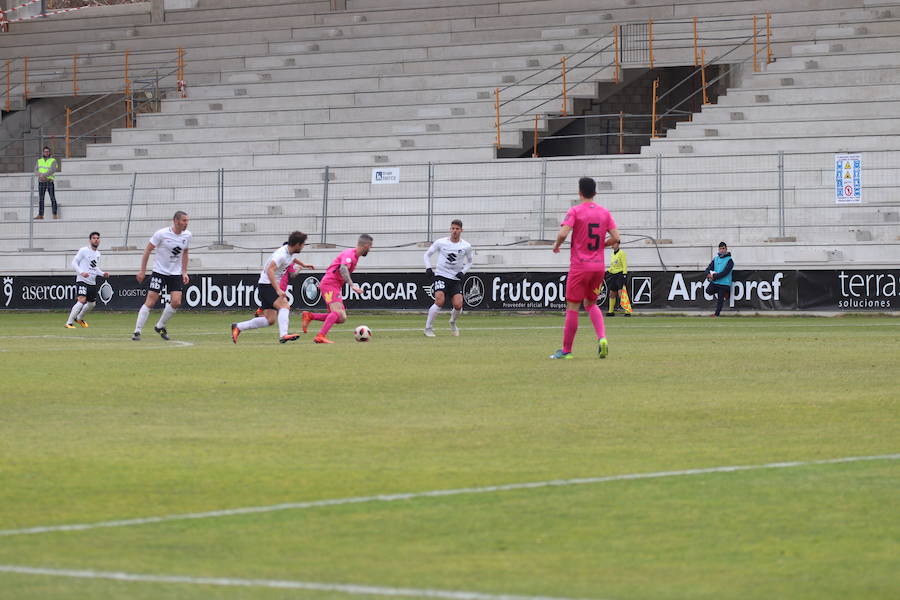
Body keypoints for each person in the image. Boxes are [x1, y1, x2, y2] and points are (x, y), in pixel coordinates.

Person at [549, 177, 620, 359]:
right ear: (595, 193)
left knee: (572, 306)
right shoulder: (604, 213)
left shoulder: (575, 211)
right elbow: (616, 238)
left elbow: (564, 233)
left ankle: (566, 351)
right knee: (591, 304)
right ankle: (602, 338)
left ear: (579, 192)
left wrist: (557, 244)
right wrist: (601, 245)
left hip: (580, 267)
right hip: (598, 267)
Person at [231, 232, 314, 344]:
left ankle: (238, 327)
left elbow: (292, 258)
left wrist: (304, 265)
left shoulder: (290, 251)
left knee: (270, 320)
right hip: (267, 285)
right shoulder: (281, 254)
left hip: (265, 285)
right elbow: (270, 270)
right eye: (303, 244)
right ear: (297, 244)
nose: (303, 246)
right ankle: (284, 335)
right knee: (285, 306)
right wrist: (278, 289)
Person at [302, 234, 373, 344]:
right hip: (330, 283)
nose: (371, 249)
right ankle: (320, 336)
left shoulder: (354, 256)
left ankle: (310, 316)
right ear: (366, 245)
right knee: (338, 313)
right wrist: (352, 285)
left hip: (331, 284)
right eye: (370, 246)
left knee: (341, 318)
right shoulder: (350, 255)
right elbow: (343, 268)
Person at [132, 211, 192, 341]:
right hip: (160, 272)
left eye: (187, 221)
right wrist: (142, 271)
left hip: (175, 273)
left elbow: (185, 252)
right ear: (175, 221)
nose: (186, 223)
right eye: (184, 221)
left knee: (176, 302)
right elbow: (148, 250)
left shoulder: (187, 235)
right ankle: (137, 331)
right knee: (151, 301)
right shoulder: (161, 234)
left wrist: (184, 271)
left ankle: (160, 326)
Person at [423, 219, 474, 337]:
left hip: (455, 278)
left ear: (461, 230)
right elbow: (427, 254)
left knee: (458, 305)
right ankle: (428, 328)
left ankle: (453, 322)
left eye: (457, 229)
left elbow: (470, 262)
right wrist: (428, 268)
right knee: (439, 301)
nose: (454, 231)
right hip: (441, 275)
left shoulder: (466, 246)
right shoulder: (441, 242)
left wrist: (463, 272)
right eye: (453, 228)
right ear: (450, 229)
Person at [65, 231, 109, 329]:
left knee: (92, 304)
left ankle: (79, 318)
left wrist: (102, 274)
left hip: (92, 282)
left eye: (98, 238)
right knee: (81, 300)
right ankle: (69, 323)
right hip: (82, 280)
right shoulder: (84, 250)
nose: (96, 240)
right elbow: (74, 263)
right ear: (90, 240)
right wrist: (81, 272)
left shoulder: (98, 254)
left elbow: (94, 268)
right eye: (94, 238)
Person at [705, 241, 734, 317]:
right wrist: (708, 274)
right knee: (708, 291)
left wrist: (714, 276)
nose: (722, 250)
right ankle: (726, 293)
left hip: (724, 283)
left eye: (723, 248)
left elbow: (725, 272)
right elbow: (708, 268)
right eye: (720, 249)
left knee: (720, 298)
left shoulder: (730, 260)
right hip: (715, 282)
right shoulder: (716, 259)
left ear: (726, 249)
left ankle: (716, 314)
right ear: (718, 249)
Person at [605, 240, 632, 317]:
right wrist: (608, 271)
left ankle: (627, 311)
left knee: (621, 293)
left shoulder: (622, 253)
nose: (612, 245)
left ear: (617, 244)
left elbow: (624, 264)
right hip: (613, 275)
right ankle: (611, 311)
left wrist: (624, 274)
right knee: (611, 293)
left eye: (613, 244)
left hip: (620, 275)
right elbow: (613, 265)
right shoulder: (613, 254)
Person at [34, 146, 60, 220]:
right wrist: (40, 175)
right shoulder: (39, 160)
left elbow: (53, 169)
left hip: (49, 181)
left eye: (47, 151)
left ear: (49, 152)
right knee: (41, 199)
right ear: (43, 152)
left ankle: (54, 214)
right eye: (45, 151)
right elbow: (35, 170)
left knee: (52, 198)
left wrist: (43, 175)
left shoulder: (53, 160)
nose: (46, 152)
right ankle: (40, 215)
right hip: (41, 182)